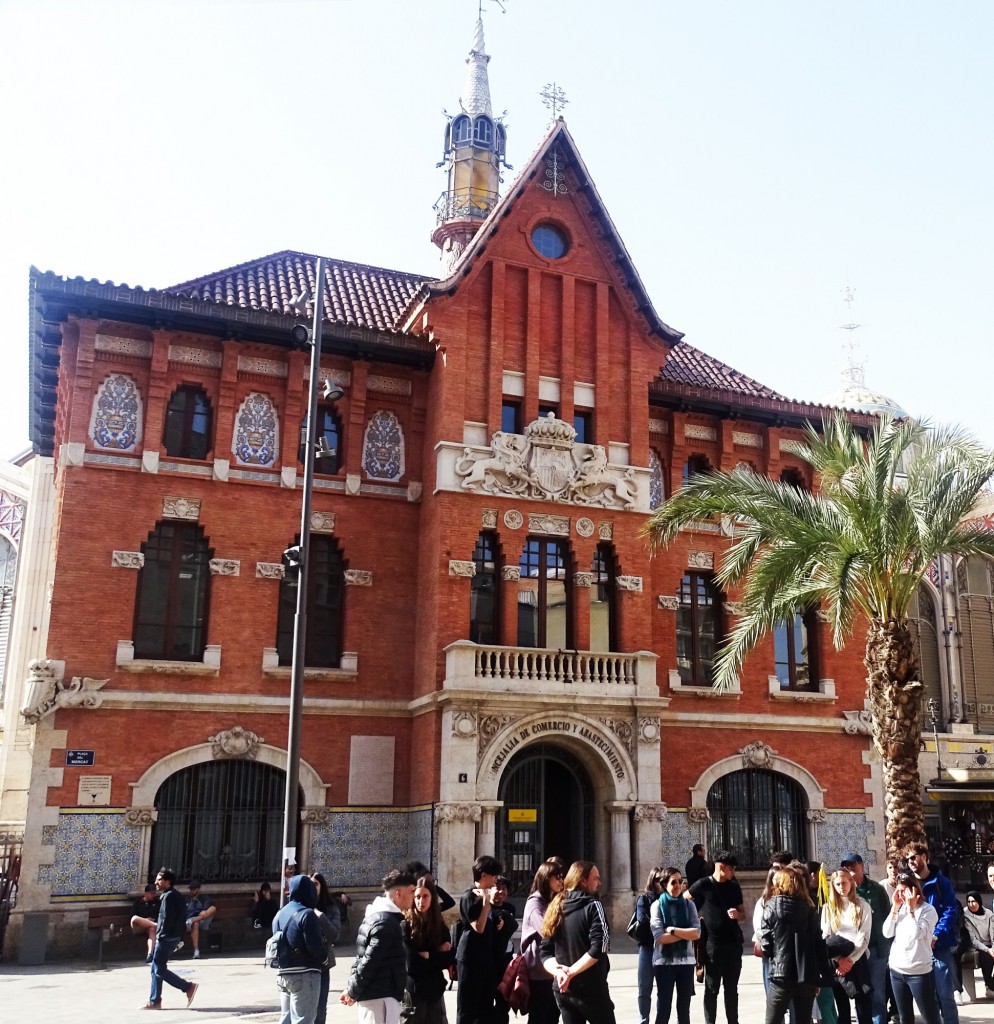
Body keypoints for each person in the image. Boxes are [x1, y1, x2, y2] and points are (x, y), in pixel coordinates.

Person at [539, 860, 615, 1024]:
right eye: (596, 878)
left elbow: (545, 953)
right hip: (590, 988)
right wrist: (570, 973)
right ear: (583, 880)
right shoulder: (593, 905)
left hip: (563, 988)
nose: (599, 883)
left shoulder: (556, 905)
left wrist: (560, 973)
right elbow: (599, 947)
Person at [342, 868, 415, 1024]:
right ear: (398, 894)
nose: (413, 897)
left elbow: (360, 958)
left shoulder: (377, 917)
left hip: (377, 996)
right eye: (411, 892)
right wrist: (352, 992)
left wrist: (351, 988)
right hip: (380, 998)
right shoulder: (385, 924)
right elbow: (369, 962)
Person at [761, 868, 826, 1024]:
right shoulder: (809, 909)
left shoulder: (771, 907)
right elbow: (818, 943)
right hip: (806, 975)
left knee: (773, 1020)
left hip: (780, 975)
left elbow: (766, 945)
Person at [689, 849, 745, 1024]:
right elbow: (683, 899)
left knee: (731, 990)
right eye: (731, 869)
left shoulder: (734, 886)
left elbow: (743, 913)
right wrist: (695, 919)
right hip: (713, 946)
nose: (733, 873)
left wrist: (738, 914)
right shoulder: (703, 884)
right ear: (721, 867)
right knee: (711, 989)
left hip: (733, 945)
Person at [906, 843, 960, 1023]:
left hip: (939, 946)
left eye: (913, 857)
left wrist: (936, 935)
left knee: (945, 994)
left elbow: (951, 910)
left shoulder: (940, 881)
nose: (911, 862)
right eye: (908, 859)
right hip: (917, 947)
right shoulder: (907, 884)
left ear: (924, 856)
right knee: (928, 998)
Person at [882, 870, 939, 1024]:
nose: (901, 895)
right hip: (897, 970)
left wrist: (911, 910)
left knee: (930, 1016)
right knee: (904, 1017)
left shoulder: (928, 910)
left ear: (914, 890)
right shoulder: (899, 909)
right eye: (898, 891)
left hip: (919, 972)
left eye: (904, 891)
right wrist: (895, 907)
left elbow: (917, 934)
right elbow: (887, 933)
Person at [841, 853, 891, 1024]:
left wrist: (887, 944)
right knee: (860, 992)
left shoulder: (877, 889)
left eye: (853, 866)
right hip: (855, 952)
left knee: (877, 992)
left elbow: (887, 914)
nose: (850, 870)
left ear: (862, 866)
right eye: (847, 867)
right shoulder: (846, 893)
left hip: (876, 950)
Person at [455, 854, 503, 1024]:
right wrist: (485, 902)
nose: (496, 880)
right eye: (494, 876)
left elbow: (489, 920)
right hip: (470, 959)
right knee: (468, 1006)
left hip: (485, 959)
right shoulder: (469, 897)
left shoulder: (485, 895)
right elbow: (478, 927)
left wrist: (498, 918)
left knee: (485, 1007)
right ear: (483, 875)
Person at [274, 873, 328, 1024]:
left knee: (286, 1019)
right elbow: (314, 946)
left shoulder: (279, 914)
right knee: (303, 1020)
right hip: (305, 974)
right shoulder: (307, 914)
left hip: (283, 973)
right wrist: (324, 959)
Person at [650, 866, 701, 1024]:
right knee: (664, 1009)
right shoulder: (657, 906)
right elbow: (659, 937)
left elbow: (697, 933)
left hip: (686, 963)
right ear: (664, 885)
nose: (678, 885)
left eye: (680, 881)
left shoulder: (689, 905)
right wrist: (685, 934)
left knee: (684, 1010)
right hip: (664, 963)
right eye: (673, 882)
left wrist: (672, 930)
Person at [143, 867, 198, 1010]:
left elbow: (168, 918)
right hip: (172, 936)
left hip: (167, 938)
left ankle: (187, 987)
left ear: (167, 881)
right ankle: (155, 1001)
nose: (156, 882)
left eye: (159, 879)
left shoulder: (169, 896)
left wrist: (161, 935)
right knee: (155, 967)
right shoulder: (174, 895)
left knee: (159, 969)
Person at [821, 869, 871, 1024]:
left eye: (844, 883)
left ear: (851, 883)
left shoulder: (862, 905)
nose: (841, 886)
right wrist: (839, 960)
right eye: (837, 884)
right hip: (836, 959)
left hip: (856, 956)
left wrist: (850, 960)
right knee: (842, 1005)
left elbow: (864, 936)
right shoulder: (828, 908)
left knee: (862, 1001)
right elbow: (826, 935)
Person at [406, 874, 455, 1024]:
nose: (421, 901)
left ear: (432, 897)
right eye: (418, 896)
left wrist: (429, 956)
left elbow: (449, 958)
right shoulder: (406, 925)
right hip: (415, 991)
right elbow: (412, 964)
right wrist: (437, 954)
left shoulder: (438, 926)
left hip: (435, 989)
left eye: (426, 896)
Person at [521, 859, 565, 1024]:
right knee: (540, 1015)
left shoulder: (552, 901)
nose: (561, 881)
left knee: (553, 1014)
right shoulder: (535, 903)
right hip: (538, 969)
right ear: (547, 879)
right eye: (557, 877)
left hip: (551, 968)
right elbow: (546, 930)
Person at [636, 868, 666, 1024]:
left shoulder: (668, 900)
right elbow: (641, 919)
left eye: (663, 880)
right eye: (657, 880)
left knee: (664, 990)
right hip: (647, 947)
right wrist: (660, 925)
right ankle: (643, 1020)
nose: (660, 884)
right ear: (651, 881)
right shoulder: (644, 899)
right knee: (644, 989)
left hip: (664, 949)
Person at [312, 872, 343, 1024]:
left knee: (320, 1007)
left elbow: (335, 934)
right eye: (310, 884)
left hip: (323, 964)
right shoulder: (301, 906)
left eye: (316, 884)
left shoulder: (331, 908)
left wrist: (320, 916)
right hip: (305, 963)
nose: (313, 887)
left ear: (322, 886)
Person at [491, 876, 518, 1024]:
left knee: (504, 1001)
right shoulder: (487, 909)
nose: (501, 891)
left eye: (504, 888)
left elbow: (509, 930)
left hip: (506, 959)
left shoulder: (509, 909)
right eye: (498, 888)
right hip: (491, 961)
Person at [962, 891, 994, 999]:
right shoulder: (966, 915)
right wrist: (987, 949)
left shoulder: (989, 914)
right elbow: (972, 939)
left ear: (979, 901)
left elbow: (993, 933)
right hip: (976, 946)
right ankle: (989, 986)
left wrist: (993, 947)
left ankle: (991, 985)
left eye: (974, 901)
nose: (971, 904)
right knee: (987, 956)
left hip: (990, 944)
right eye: (969, 902)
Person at [185, 879, 216, 959]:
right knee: (195, 923)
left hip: (202, 920)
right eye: (190, 889)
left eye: (193, 889)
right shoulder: (187, 899)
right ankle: (196, 950)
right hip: (189, 921)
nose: (191, 891)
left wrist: (198, 916)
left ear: (198, 889)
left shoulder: (204, 898)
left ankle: (195, 920)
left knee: (212, 908)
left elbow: (204, 912)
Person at [131, 883, 163, 962]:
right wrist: (145, 919)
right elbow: (132, 916)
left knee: (152, 929)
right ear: (146, 893)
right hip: (139, 926)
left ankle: (150, 954)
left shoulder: (157, 902)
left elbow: (160, 914)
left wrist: (152, 919)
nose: (153, 895)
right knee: (134, 918)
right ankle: (158, 925)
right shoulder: (138, 902)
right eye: (151, 893)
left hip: (150, 926)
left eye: (154, 893)